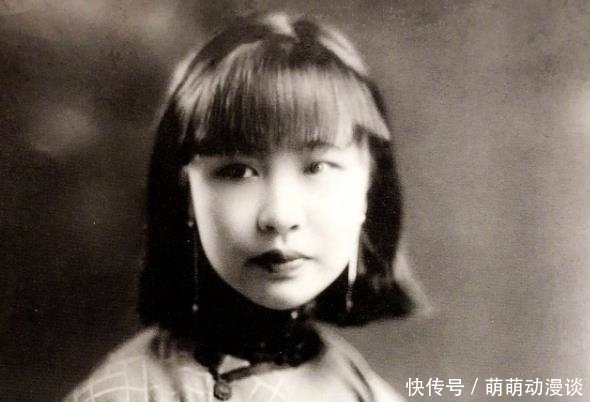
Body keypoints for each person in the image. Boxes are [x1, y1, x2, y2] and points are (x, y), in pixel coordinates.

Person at [63, 11, 424, 402]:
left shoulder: (359, 386)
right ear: (187, 193)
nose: (280, 216)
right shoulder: (127, 393)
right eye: (238, 171)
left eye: (318, 167)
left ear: (368, 186)